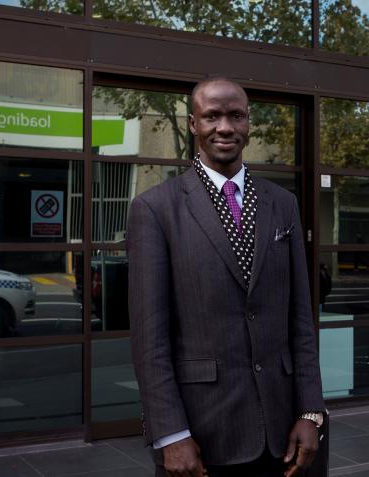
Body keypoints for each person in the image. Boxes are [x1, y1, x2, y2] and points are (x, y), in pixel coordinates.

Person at [127, 77, 324, 477]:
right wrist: (170, 434)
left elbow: (301, 320)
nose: (225, 127)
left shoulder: (283, 204)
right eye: (212, 116)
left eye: (236, 116)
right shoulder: (156, 209)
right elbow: (151, 339)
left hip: (285, 431)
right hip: (203, 435)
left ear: (249, 123)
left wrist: (311, 412)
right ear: (193, 124)